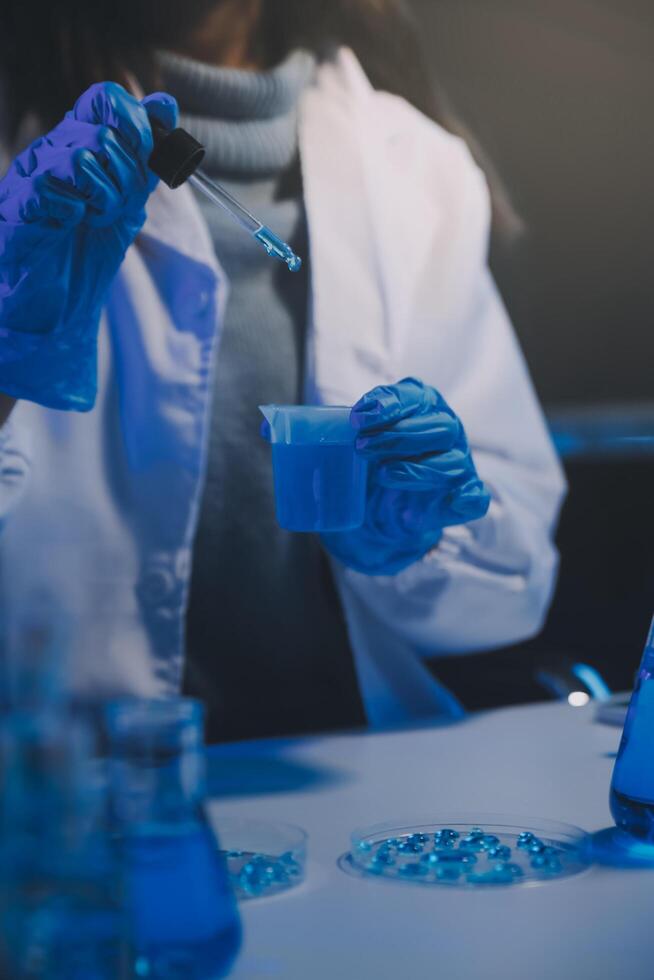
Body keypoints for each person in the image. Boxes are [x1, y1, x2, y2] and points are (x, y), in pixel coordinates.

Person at [0, 0, 565, 739]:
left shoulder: (418, 166)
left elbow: (514, 582)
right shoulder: (30, 152)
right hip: (64, 787)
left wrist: (409, 537)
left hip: (344, 776)